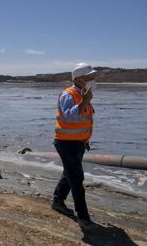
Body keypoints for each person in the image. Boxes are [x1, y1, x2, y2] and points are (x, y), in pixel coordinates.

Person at [52, 62, 98, 231]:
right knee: (77, 179)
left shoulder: (82, 94)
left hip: (77, 143)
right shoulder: (68, 94)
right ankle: (83, 218)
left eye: (92, 77)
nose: (91, 79)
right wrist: (84, 102)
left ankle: (57, 200)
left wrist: (85, 140)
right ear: (78, 79)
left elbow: (83, 121)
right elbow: (69, 116)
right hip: (65, 143)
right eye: (88, 77)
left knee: (69, 173)